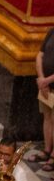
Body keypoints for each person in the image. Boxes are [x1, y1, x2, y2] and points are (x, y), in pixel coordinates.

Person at [30, 27, 54, 169]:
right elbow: (40, 55)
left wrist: (47, 80)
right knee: (47, 118)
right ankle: (47, 150)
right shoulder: (51, 32)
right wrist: (41, 79)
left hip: (50, 83)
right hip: (45, 86)